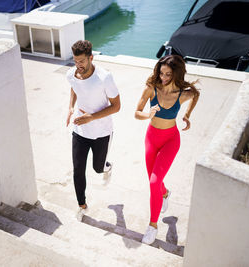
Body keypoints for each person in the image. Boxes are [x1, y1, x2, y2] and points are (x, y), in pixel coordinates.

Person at [134, 55, 200, 244]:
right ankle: (165, 193)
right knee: (154, 182)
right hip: (151, 139)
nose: (163, 77)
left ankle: (152, 226)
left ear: (176, 74)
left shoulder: (183, 94)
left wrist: (187, 115)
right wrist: (148, 114)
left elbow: (196, 95)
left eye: (168, 74)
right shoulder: (151, 89)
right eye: (161, 73)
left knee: (154, 182)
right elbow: (136, 112)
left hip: (171, 140)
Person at [66, 40, 121, 222]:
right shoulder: (71, 74)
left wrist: (91, 117)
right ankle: (82, 205)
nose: (78, 65)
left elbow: (116, 106)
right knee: (77, 170)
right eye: (75, 61)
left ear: (91, 57)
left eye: (81, 61)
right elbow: (74, 88)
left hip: (102, 132)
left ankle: (107, 166)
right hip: (80, 131)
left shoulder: (105, 77)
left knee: (98, 169)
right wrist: (70, 108)